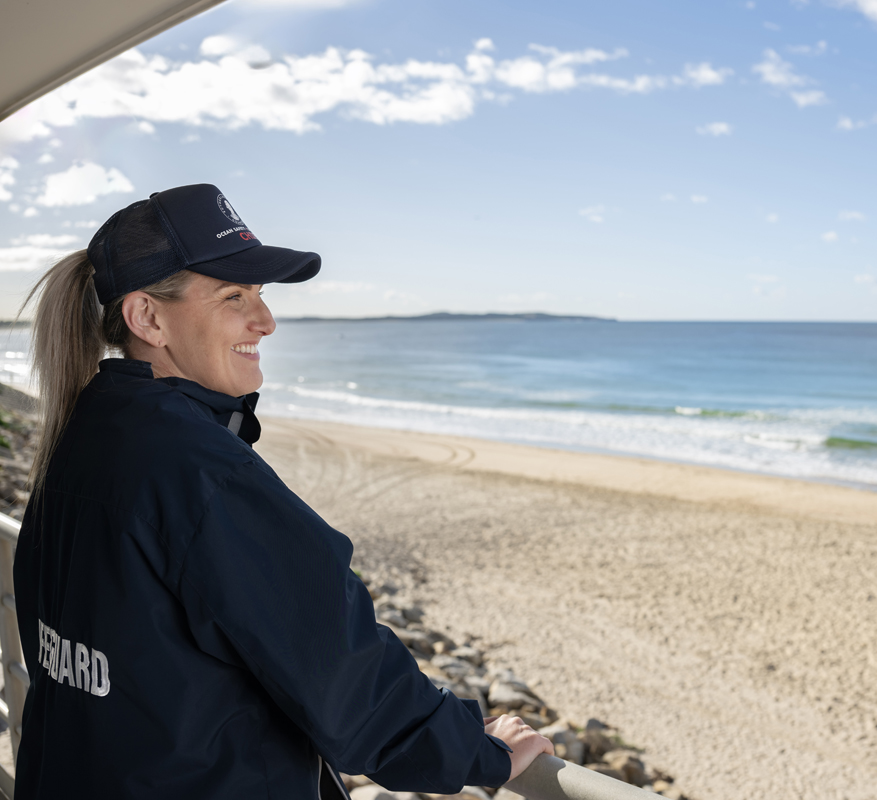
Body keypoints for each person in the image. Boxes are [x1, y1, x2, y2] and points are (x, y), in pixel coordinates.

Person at [13, 183, 552, 798]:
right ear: (148, 318)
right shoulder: (198, 471)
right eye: (233, 296)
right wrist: (474, 749)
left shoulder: (84, 434)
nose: (265, 321)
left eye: (261, 295)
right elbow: (339, 666)